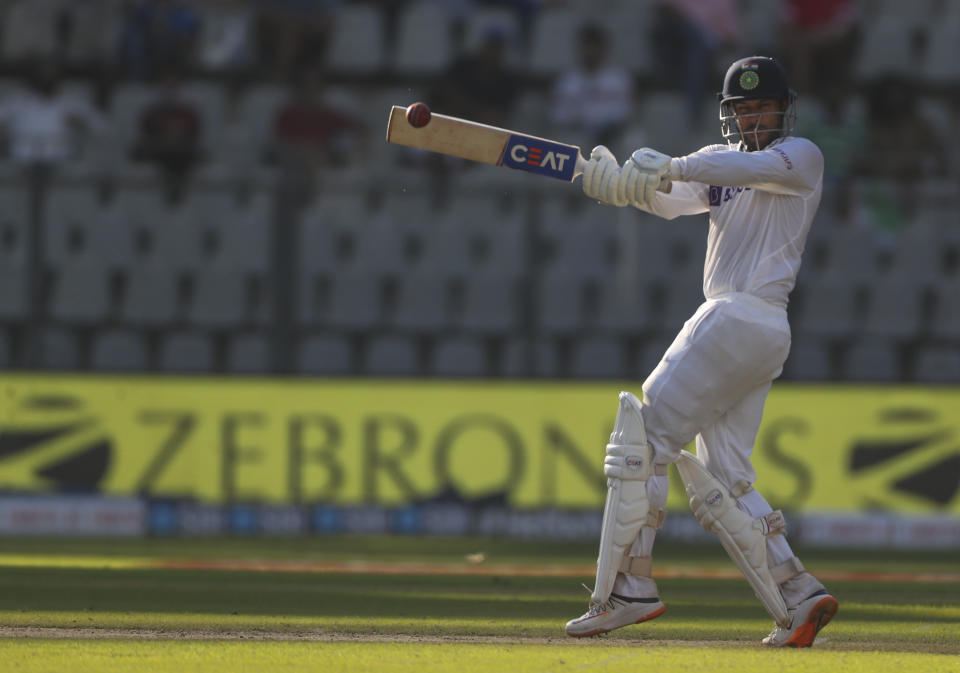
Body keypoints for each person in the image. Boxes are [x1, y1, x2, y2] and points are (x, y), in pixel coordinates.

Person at [564, 56, 838, 648]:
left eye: (761, 107)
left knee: (644, 437)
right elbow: (669, 196)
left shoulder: (799, 158)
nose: (751, 117)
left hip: (743, 312)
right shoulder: (725, 165)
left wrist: (674, 163)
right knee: (726, 479)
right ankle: (797, 593)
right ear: (729, 113)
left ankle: (627, 590)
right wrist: (612, 184)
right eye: (741, 109)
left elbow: (713, 166)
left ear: (783, 110)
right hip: (756, 334)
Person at [549, 21, 633, 150]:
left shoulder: (618, 79)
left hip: (611, 137)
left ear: (604, 49)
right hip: (577, 136)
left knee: (631, 140)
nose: (591, 51)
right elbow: (559, 115)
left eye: (595, 46)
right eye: (587, 46)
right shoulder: (567, 81)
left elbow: (624, 113)